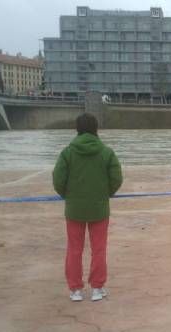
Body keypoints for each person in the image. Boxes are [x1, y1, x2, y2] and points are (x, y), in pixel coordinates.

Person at [53, 113, 123, 302]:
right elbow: (117, 178)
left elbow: (58, 180)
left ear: (77, 129)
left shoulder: (67, 152)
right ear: (96, 129)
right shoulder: (107, 152)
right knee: (98, 249)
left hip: (74, 209)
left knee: (74, 249)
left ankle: (75, 289)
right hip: (99, 209)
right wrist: (105, 193)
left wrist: (68, 196)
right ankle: (97, 289)